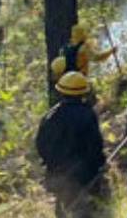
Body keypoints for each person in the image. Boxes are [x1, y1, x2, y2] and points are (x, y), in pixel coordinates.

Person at [36, 71, 107, 205]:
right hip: (83, 175)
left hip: (56, 173)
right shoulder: (87, 115)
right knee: (82, 210)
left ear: (61, 92)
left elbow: (40, 144)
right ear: (83, 93)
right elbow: (95, 146)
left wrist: (51, 164)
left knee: (63, 205)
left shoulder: (50, 116)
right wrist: (100, 164)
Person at [48, 24, 114, 85]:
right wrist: (111, 51)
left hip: (65, 79)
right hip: (78, 78)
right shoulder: (83, 47)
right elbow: (96, 58)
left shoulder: (66, 47)